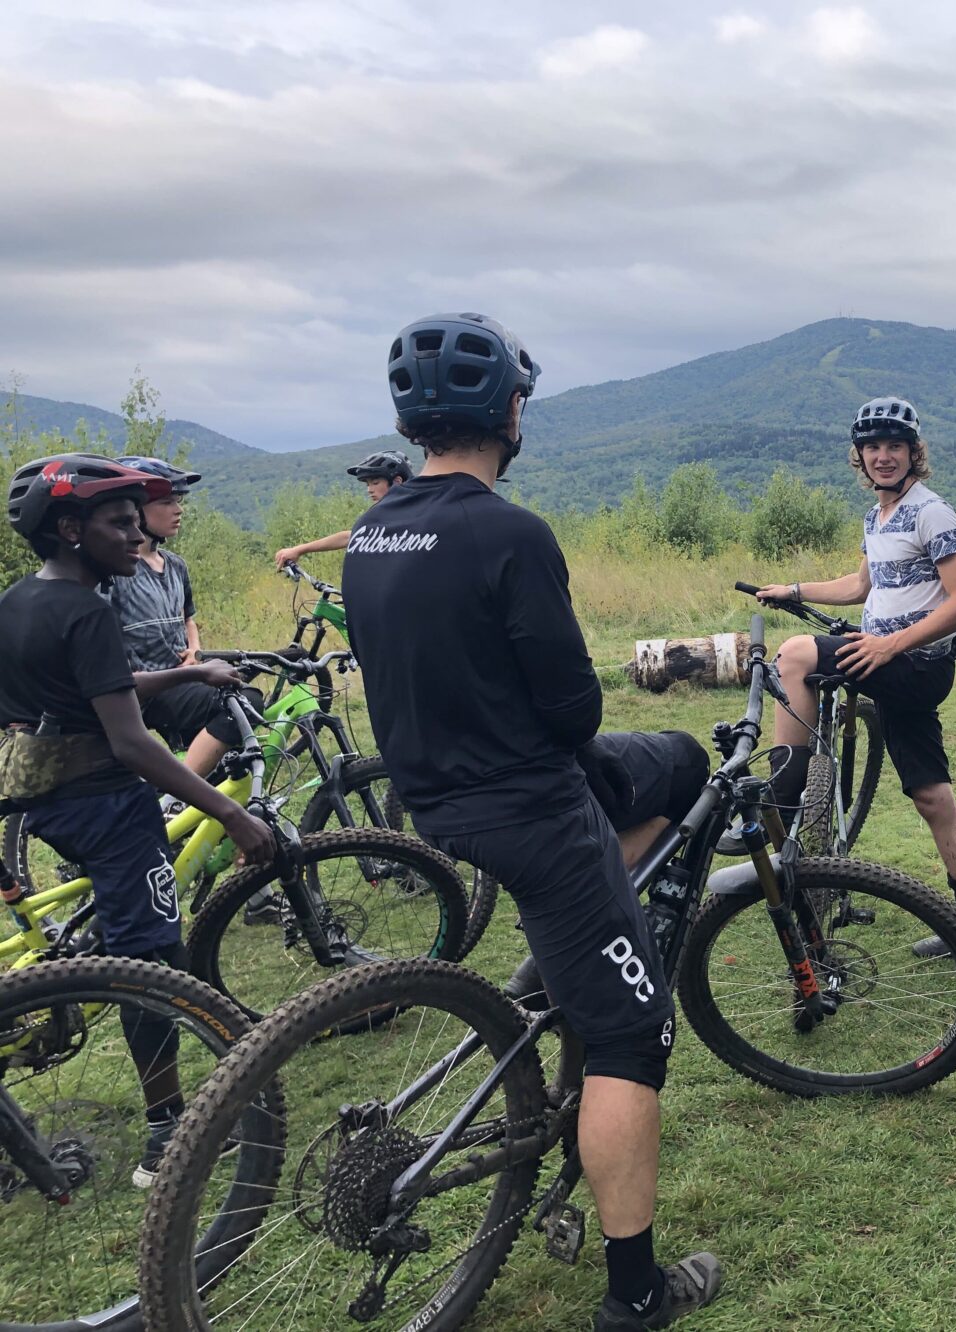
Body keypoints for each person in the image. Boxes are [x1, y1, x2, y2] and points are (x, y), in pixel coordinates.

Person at [343, 313, 719, 1332]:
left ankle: (589, 941)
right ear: (510, 411)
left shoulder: (375, 529)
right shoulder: (508, 532)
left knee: (677, 761)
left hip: (438, 801)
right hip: (534, 809)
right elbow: (574, 713)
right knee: (632, 1042)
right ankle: (637, 1294)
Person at [0, 453, 275, 1184]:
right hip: (109, 809)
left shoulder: (21, 599)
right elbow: (129, 737)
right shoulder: (89, 611)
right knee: (152, 966)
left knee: (121, 933)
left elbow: (96, 691)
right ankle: (165, 1134)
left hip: (45, 804)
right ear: (69, 529)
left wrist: (189, 670)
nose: (135, 535)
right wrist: (231, 814)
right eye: (119, 523)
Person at [753, 395, 956, 958]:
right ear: (859, 457)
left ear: (915, 453)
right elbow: (859, 587)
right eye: (872, 447)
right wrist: (792, 590)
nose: (883, 456)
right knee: (932, 795)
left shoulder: (931, 512)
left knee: (794, 656)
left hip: (914, 664)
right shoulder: (879, 516)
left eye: (895, 446)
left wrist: (890, 644)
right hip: (892, 663)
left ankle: (781, 799)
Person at [106, 456, 261, 775]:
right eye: (167, 501)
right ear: (135, 509)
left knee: (229, 768)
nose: (178, 510)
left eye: (178, 501)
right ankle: (180, 793)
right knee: (244, 702)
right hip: (148, 688)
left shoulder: (175, 565)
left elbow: (188, 618)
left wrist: (194, 649)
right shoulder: (116, 572)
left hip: (183, 676)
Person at [272, 448, 411, 569]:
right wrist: (299, 549)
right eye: (367, 484)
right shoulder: (383, 515)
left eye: (375, 482)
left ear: (397, 481)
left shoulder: (411, 513)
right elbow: (350, 536)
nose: (369, 490)